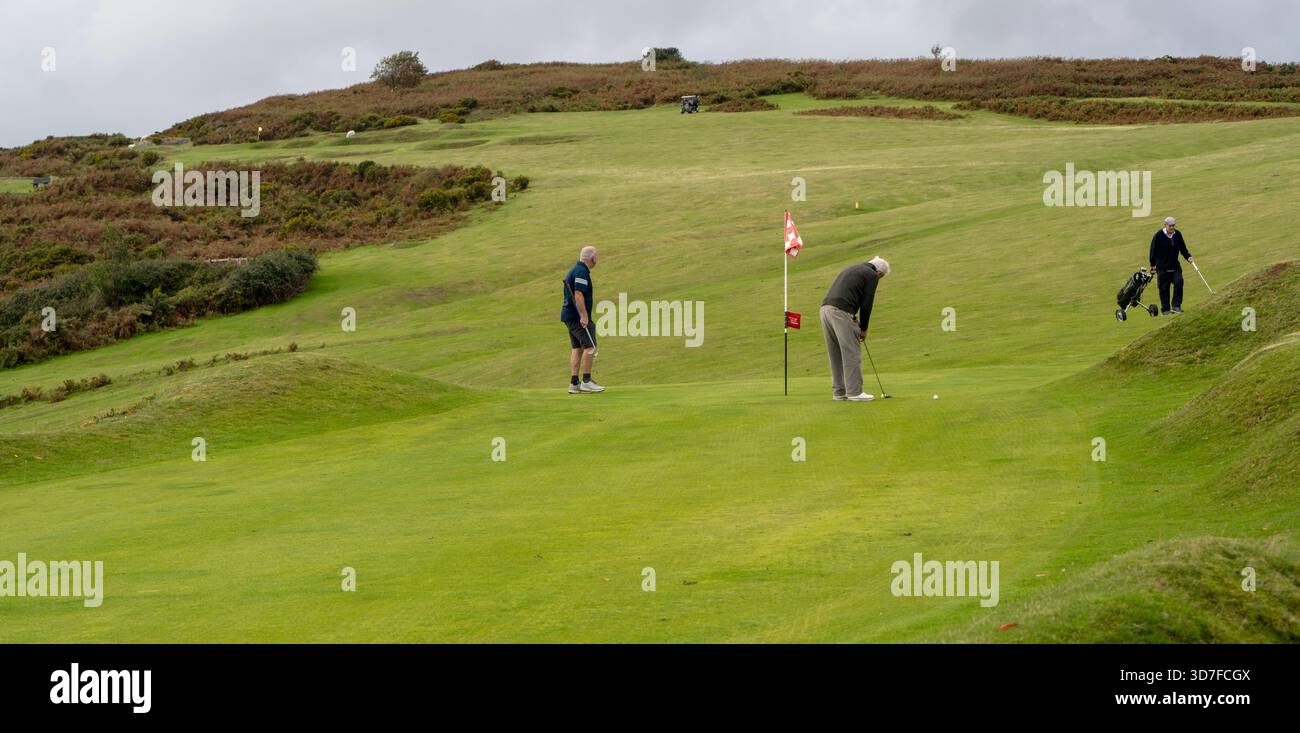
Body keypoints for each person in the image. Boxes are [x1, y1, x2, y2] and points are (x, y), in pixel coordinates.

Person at [820, 256, 890, 401]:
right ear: (878, 272)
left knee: (836, 353)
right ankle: (855, 392)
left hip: (825, 310)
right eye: (881, 277)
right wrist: (863, 328)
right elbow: (866, 305)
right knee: (851, 352)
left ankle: (839, 392)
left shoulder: (851, 268)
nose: (879, 279)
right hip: (841, 312)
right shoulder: (871, 275)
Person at [561, 246, 605, 394]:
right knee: (590, 347)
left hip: (570, 316)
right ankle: (586, 381)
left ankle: (574, 383)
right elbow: (578, 294)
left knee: (577, 348)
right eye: (596, 256)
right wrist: (584, 315)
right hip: (577, 317)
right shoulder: (581, 272)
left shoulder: (576, 269)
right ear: (593, 258)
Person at [1149, 216, 1195, 315]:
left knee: (1179, 282)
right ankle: (1165, 309)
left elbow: (1183, 249)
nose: (1172, 227)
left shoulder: (1177, 234)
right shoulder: (1158, 236)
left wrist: (1188, 257)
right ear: (1165, 225)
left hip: (1174, 266)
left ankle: (1176, 306)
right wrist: (1152, 266)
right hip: (1162, 267)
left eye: (1173, 225)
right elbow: (1152, 251)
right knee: (1163, 288)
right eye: (1170, 226)